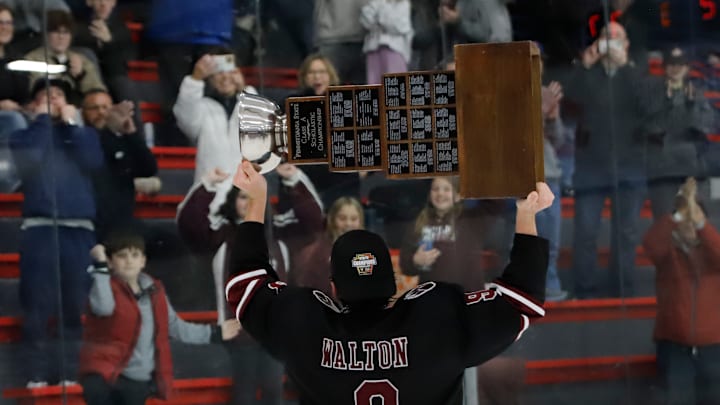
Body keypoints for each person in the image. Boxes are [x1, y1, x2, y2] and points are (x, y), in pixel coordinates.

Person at [224, 160, 551, 404]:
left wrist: (256, 200)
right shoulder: (437, 319)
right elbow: (522, 298)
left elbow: (245, 287)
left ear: (334, 286)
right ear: (393, 280)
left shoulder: (306, 327)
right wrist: (526, 214)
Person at [177, 163, 322, 404]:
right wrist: (207, 186)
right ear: (233, 201)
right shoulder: (222, 233)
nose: (248, 203)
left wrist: (294, 180)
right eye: (243, 197)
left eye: (253, 197)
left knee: (274, 394)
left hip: (273, 333)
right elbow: (189, 224)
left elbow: (313, 221)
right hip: (238, 335)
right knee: (243, 397)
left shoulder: (278, 231)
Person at [10, 79, 104, 387]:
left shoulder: (83, 133)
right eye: (45, 97)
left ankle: (68, 373)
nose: (53, 100)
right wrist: (40, 121)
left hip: (78, 232)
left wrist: (72, 123)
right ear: (34, 105)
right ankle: (36, 375)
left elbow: (93, 161)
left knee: (75, 306)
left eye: (59, 95)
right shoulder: (25, 135)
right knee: (37, 305)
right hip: (39, 230)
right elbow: (30, 160)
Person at [79, 231, 241, 404]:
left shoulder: (155, 292)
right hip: (107, 378)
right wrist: (101, 268)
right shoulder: (104, 286)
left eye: (135, 255)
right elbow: (103, 307)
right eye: (122, 256)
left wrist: (214, 333)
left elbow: (175, 326)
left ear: (143, 261)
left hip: (138, 380)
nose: (128, 261)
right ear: (111, 262)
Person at [564, 21, 648, 298]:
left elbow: (646, 105)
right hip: (591, 167)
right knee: (586, 232)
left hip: (630, 166)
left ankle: (622, 288)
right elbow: (570, 101)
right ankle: (585, 289)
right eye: (605, 38)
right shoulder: (588, 73)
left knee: (626, 233)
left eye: (616, 39)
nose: (610, 44)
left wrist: (625, 67)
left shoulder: (636, 73)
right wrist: (585, 65)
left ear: (625, 46)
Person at [642, 177, 720, 405]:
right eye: (683, 221)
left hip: (714, 347)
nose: (688, 225)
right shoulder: (668, 255)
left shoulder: (712, 251)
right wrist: (679, 212)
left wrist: (700, 224)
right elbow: (650, 243)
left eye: (692, 221)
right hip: (674, 345)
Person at [645, 47, 714, 220]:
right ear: (665, 68)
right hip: (662, 170)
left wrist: (690, 109)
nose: (675, 69)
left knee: (695, 223)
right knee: (664, 223)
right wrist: (666, 105)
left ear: (687, 68)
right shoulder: (652, 96)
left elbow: (706, 124)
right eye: (671, 65)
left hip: (691, 168)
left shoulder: (696, 95)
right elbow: (649, 126)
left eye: (680, 65)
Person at [81, 90, 159, 242]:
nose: (101, 112)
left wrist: (131, 133)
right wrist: (111, 131)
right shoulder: (80, 139)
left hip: (123, 225)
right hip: (93, 225)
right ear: (83, 113)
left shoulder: (121, 139)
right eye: (94, 108)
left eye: (105, 107)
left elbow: (149, 168)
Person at [173, 50, 258, 184]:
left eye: (231, 71)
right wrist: (195, 79)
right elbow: (186, 119)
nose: (225, 78)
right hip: (210, 193)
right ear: (210, 78)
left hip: (245, 195)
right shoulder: (202, 108)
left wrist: (244, 89)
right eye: (219, 72)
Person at [24, 10, 107, 105]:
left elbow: (98, 91)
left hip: (82, 109)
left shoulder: (82, 59)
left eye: (66, 32)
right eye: (56, 32)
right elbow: (33, 91)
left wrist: (81, 75)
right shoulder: (32, 59)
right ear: (46, 34)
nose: (61, 37)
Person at [73, 0, 136, 103]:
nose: (103, 4)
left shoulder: (121, 29)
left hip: (113, 77)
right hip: (86, 78)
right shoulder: (79, 27)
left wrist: (109, 42)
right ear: (89, 2)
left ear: (114, 3)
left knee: (124, 85)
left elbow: (124, 60)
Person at [0, 3, 29, 192]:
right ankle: (12, 182)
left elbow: (24, 94)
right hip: (7, 117)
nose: (5, 27)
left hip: (16, 112)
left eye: (9, 22)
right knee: (14, 120)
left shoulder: (15, 57)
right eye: (0, 22)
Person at [359, 0, 413, 85]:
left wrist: (379, 17)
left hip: (394, 49)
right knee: (374, 86)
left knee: (394, 85)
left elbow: (399, 26)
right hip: (373, 48)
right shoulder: (375, 2)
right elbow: (366, 20)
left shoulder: (403, 3)